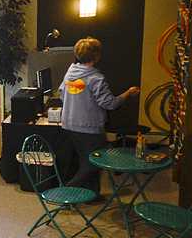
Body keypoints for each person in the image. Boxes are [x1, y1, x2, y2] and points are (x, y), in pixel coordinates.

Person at [60, 37, 140, 194]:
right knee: (94, 163)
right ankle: (66, 191)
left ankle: (92, 195)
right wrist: (128, 94)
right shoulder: (96, 79)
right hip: (89, 128)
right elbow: (109, 103)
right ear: (96, 56)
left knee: (85, 160)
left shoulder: (70, 73)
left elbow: (62, 94)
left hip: (69, 125)